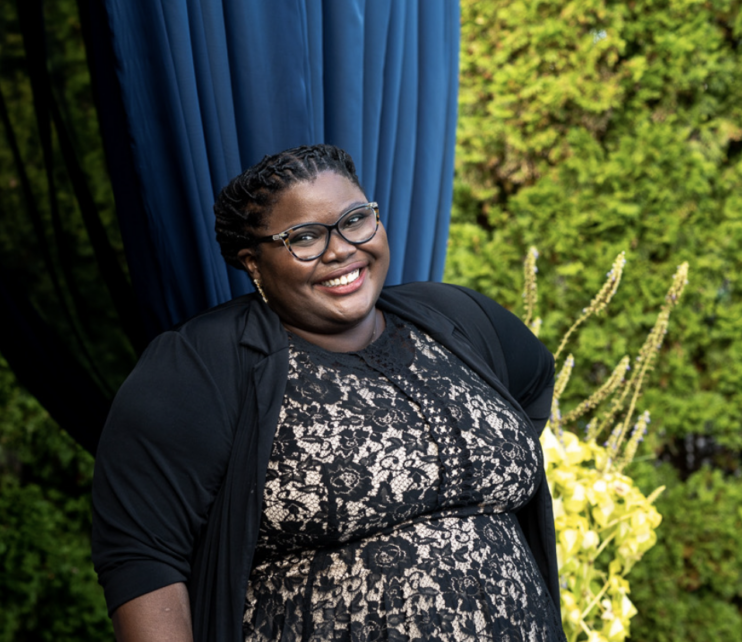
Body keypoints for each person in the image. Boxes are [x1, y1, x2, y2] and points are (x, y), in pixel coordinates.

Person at [91, 144, 565, 641]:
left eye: (355, 220)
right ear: (253, 262)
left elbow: (533, 381)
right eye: (305, 237)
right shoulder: (198, 364)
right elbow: (142, 556)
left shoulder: (453, 316)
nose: (341, 249)